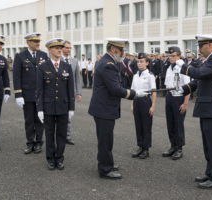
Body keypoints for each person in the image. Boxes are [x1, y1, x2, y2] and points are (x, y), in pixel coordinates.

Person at [88, 38, 148, 179]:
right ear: (114, 49)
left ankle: (106, 162)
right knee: (105, 140)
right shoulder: (108, 64)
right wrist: (134, 94)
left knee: (106, 139)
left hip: (103, 108)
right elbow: (115, 89)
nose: (123, 53)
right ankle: (105, 169)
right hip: (104, 109)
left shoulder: (109, 61)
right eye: (121, 50)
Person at [178, 34, 212, 189]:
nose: (198, 50)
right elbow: (201, 80)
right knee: (209, 145)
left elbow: (199, 73)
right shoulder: (210, 60)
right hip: (208, 108)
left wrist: (183, 64)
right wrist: (185, 88)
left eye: (200, 46)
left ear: (209, 45)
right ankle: (210, 172)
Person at [36, 39, 75, 170]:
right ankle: (51, 159)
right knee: (49, 134)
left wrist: (71, 108)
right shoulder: (42, 67)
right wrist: (40, 109)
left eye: (61, 48)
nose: (60, 50)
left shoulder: (66, 66)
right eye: (56, 48)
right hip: (48, 107)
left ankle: (60, 158)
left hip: (63, 106)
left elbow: (70, 89)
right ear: (50, 50)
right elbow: (39, 90)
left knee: (62, 134)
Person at [13, 32, 48, 154]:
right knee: (29, 120)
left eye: (38, 41)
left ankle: (38, 143)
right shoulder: (20, 56)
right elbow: (16, 77)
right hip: (27, 95)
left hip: (40, 95)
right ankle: (29, 143)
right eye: (35, 41)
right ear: (28, 42)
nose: (38, 43)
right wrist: (18, 94)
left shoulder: (44, 55)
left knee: (40, 119)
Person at [162, 47, 190, 160]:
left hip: (179, 98)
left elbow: (188, 87)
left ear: (179, 56)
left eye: (173, 55)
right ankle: (173, 146)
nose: (171, 58)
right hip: (169, 96)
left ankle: (179, 148)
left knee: (178, 124)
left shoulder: (183, 67)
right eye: (169, 55)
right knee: (170, 123)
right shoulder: (170, 67)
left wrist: (185, 103)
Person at [131, 53, 157, 159]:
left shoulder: (150, 76)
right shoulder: (135, 75)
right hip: (137, 101)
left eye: (141, 62)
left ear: (147, 63)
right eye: (138, 61)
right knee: (138, 125)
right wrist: (132, 104)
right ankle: (140, 146)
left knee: (146, 125)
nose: (139, 63)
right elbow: (133, 91)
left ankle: (146, 149)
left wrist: (153, 106)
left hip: (146, 101)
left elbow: (154, 92)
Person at [61, 40, 82, 145]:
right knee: (58, 115)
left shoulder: (74, 61)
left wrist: (79, 92)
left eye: (70, 48)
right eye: (66, 47)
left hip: (71, 93)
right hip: (59, 93)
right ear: (61, 48)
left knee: (69, 115)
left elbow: (77, 78)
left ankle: (67, 136)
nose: (68, 50)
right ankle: (59, 136)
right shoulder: (57, 60)